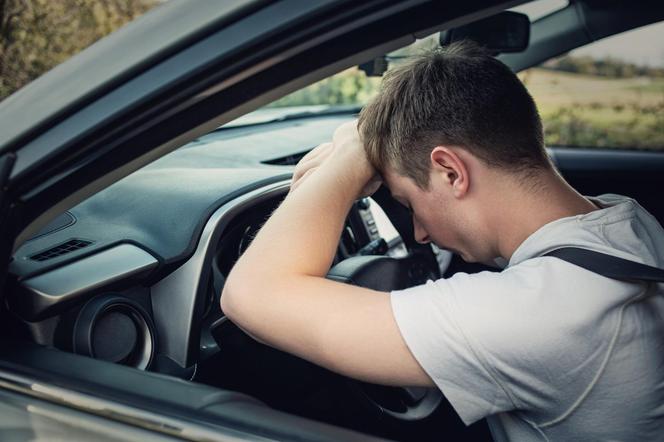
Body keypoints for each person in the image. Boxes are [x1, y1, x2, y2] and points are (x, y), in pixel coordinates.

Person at [221, 41, 664, 440]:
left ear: (451, 171)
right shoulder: (626, 219)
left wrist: (352, 153)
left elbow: (251, 295)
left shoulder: (537, 316)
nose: (418, 233)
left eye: (408, 202)